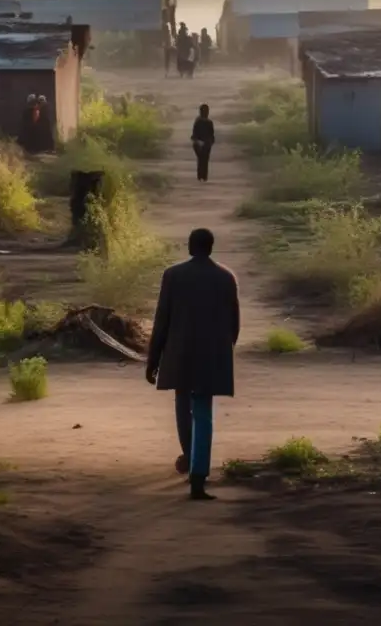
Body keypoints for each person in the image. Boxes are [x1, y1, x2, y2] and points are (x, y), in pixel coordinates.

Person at [146, 228, 240, 500]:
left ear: (190, 247)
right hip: (212, 355)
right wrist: (223, 350)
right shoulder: (226, 277)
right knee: (203, 412)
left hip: (180, 353)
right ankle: (198, 475)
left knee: (182, 404)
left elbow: (162, 321)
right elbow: (234, 325)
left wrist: (153, 360)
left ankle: (188, 456)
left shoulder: (173, 275)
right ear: (210, 248)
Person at [191, 104, 215, 182]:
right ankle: (203, 176)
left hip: (203, 143)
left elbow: (194, 134)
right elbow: (211, 135)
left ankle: (201, 176)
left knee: (201, 159)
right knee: (204, 159)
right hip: (201, 143)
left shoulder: (200, 122)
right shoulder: (207, 122)